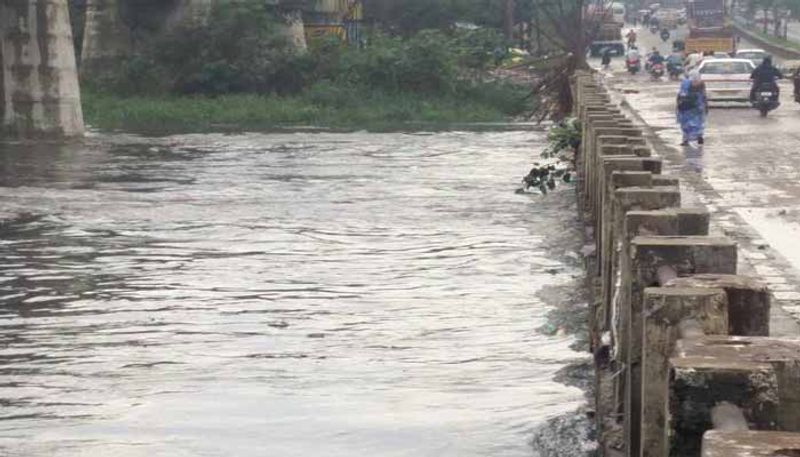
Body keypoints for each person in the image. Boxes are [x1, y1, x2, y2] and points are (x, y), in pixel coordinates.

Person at [676, 71, 708, 146]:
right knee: (698, 122)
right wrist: (705, 106)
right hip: (696, 107)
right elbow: (704, 95)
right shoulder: (701, 83)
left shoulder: (685, 83)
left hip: (686, 107)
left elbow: (680, 94)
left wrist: (678, 104)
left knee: (685, 123)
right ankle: (698, 136)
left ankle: (686, 139)